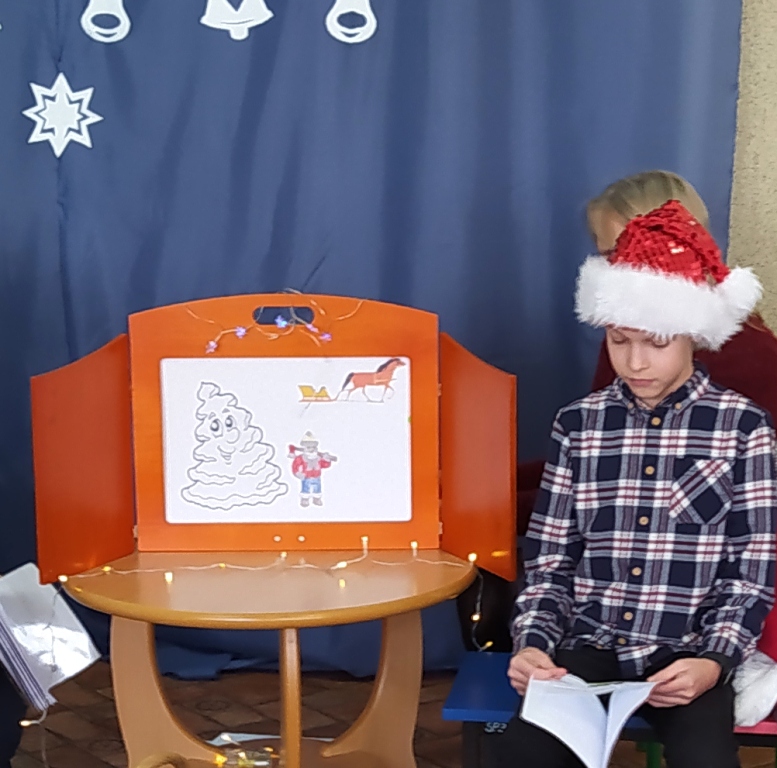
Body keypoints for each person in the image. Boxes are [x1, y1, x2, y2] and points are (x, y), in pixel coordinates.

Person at [492, 200, 777, 768]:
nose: (636, 362)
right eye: (619, 341)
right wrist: (533, 644)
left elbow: (750, 572)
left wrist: (715, 660)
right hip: (585, 648)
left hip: (687, 653)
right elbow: (551, 559)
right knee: (524, 752)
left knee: (706, 759)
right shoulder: (579, 424)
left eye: (656, 343)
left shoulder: (744, 428)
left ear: (692, 336)